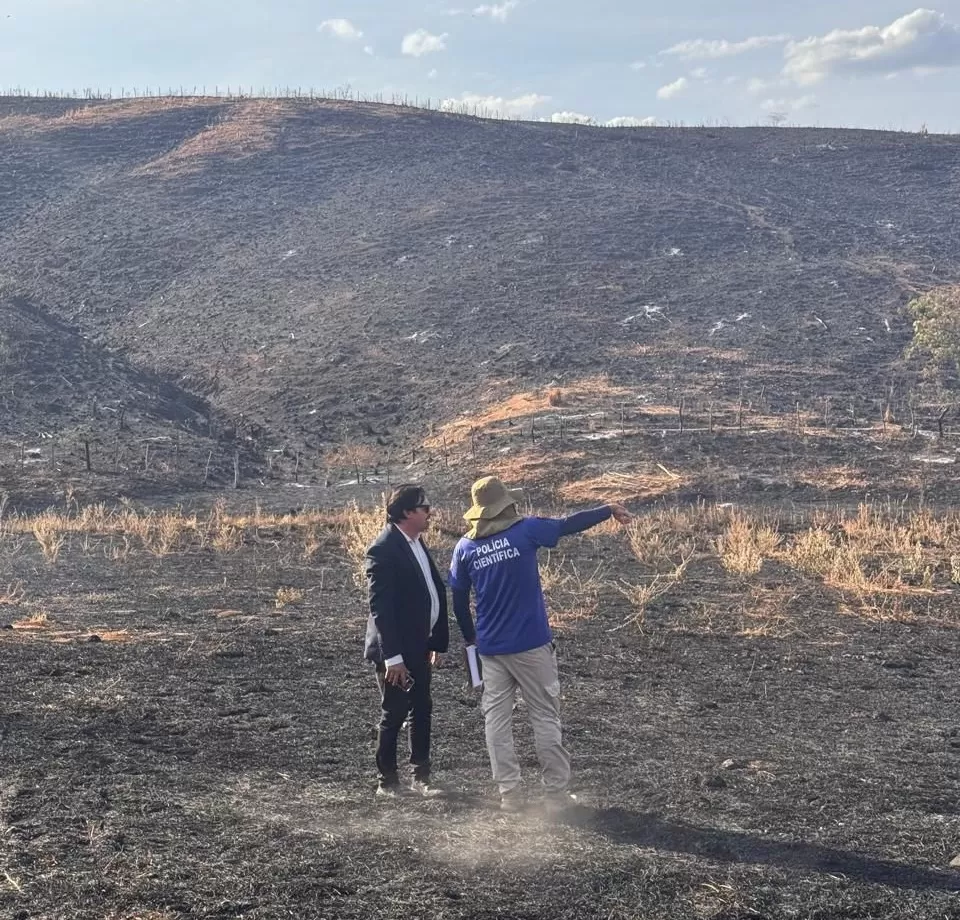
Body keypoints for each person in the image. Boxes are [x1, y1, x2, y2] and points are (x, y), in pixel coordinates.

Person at [449, 475, 632, 813]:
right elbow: (565, 525)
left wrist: (471, 638)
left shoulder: (465, 548)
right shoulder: (525, 531)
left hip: (491, 648)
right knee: (545, 716)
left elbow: (459, 601)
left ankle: (510, 795)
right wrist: (606, 509)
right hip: (532, 645)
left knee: (496, 721)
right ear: (506, 504)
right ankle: (555, 797)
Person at [363, 484, 449, 798]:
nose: (430, 512)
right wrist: (393, 658)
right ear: (407, 512)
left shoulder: (415, 542)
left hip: (418, 646)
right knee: (394, 712)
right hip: (395, 651)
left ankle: (421, 777)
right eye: (425, 506)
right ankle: (387, 782)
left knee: (421, 709)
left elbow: (431, 592)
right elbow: (381, 609)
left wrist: (434, 643)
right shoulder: (383, 548)